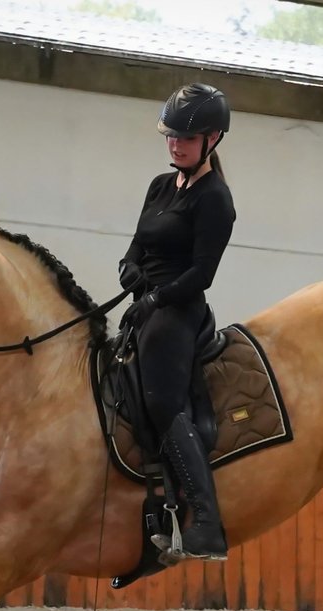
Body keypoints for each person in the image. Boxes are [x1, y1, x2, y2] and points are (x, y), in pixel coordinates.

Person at [118, 83, 236, 561]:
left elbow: (201, 274)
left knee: (162, 400)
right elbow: (138, 241)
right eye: (171, 136)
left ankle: (206, 522)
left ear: (213, 139)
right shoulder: (161, 185)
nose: (175, 144)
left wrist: (158, 298)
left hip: (179, 310)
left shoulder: (215, 199)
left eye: (186, 137)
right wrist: (128, 266)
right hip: (145, 300)